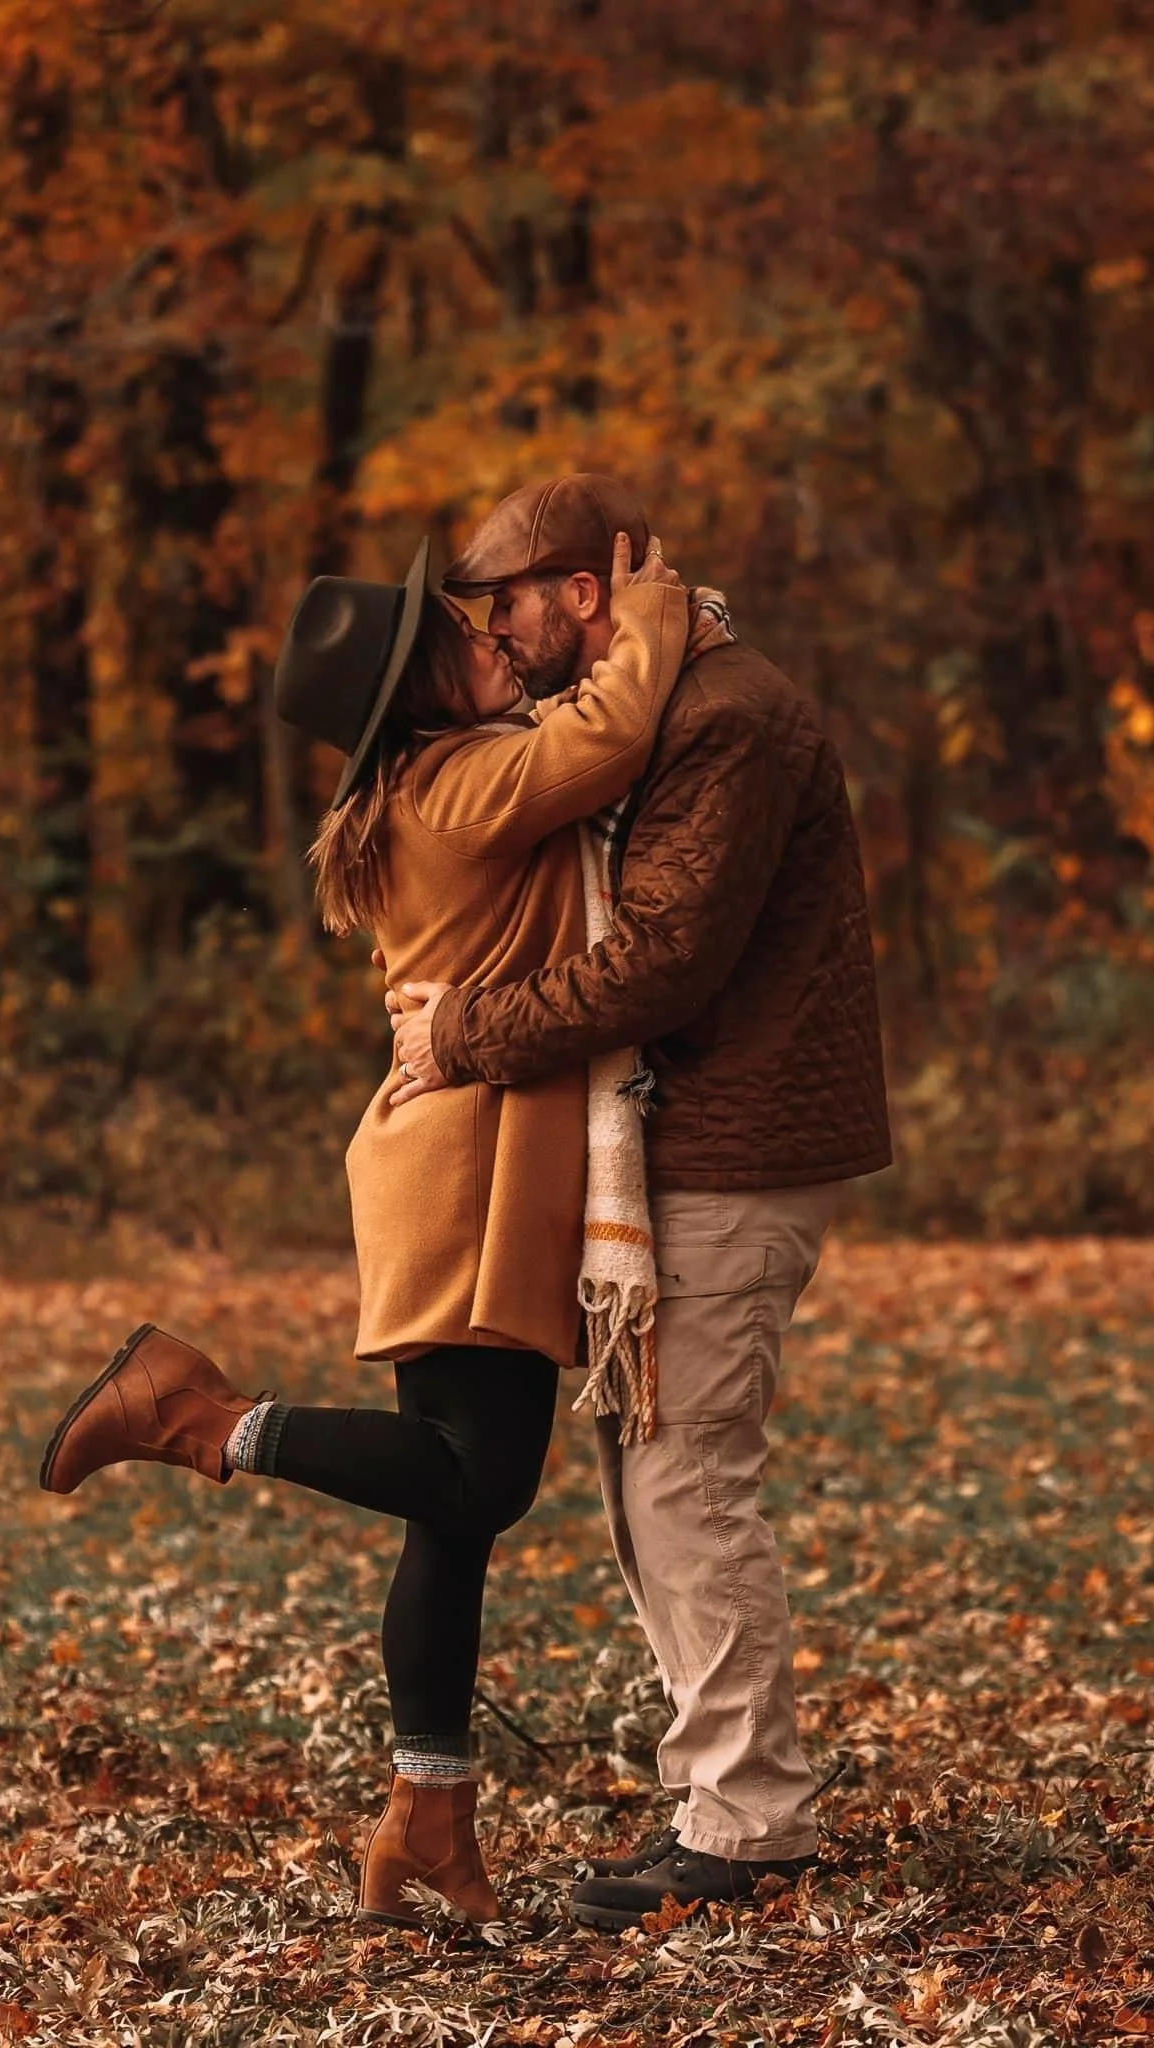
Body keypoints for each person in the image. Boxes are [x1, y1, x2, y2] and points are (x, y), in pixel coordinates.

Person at [38, 518, 689, 1928]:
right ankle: (200, 1416)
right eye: (458, 638)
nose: (485, 635)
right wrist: (645, 605)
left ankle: (427, 1824)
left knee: (449, 1516)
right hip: (467, 1162)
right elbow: (616, 733)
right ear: (422, 695)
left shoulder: (431, 782)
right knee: (478, 1481)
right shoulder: (461, 786)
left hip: (457, 1150)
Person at [386, 472, 894, 1931]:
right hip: (692, 1145)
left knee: (681, 1486)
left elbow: (665, 959)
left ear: (585, 591)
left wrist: (463, 1035)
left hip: (736, 1147)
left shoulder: (723, 718)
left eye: (508, 601)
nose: (498, 630)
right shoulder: (665, 709)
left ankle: (750, 1825)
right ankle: (725, 1800)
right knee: (650, 1483)